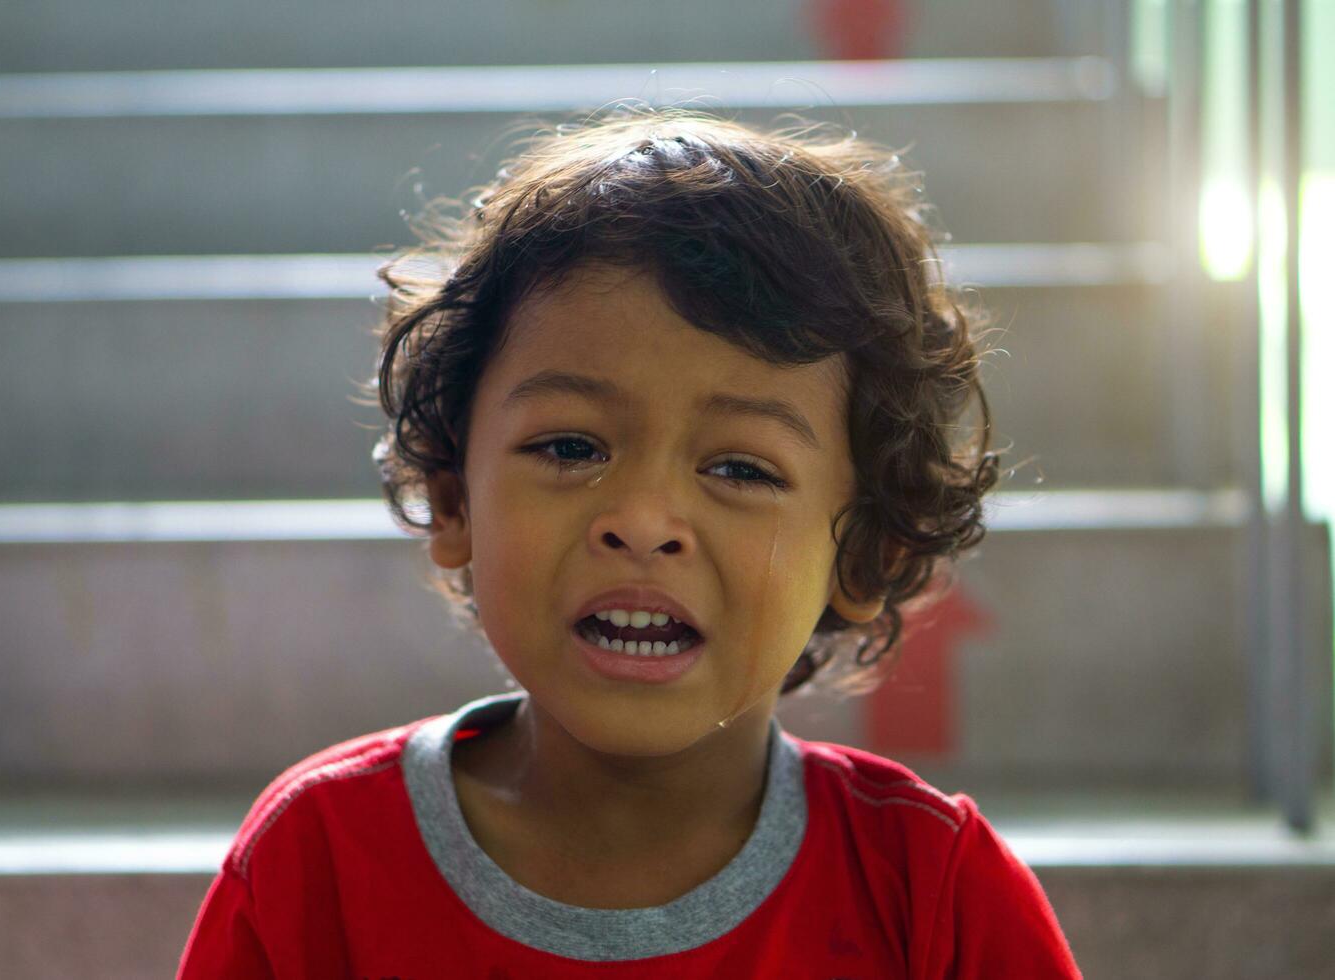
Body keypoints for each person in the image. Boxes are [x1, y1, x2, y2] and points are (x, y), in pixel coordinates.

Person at [178, 107, 1082, 978]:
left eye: (741, 469)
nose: (643, 521)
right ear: (454, 504)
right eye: (571, 447)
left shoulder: (931, 894)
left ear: (864, 557)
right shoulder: (317, 862)